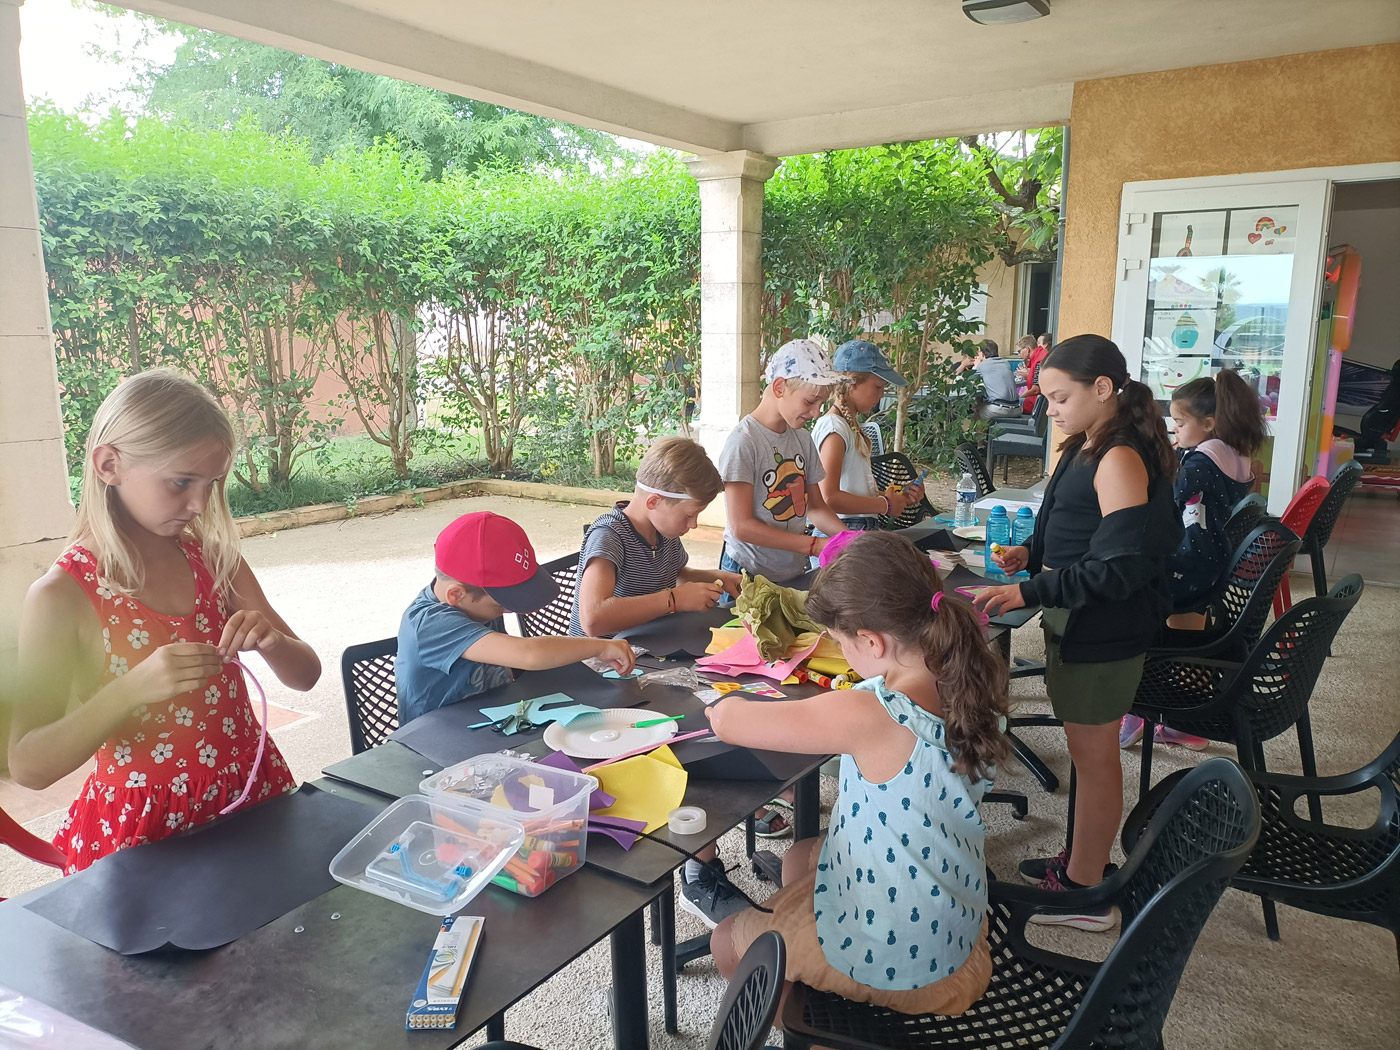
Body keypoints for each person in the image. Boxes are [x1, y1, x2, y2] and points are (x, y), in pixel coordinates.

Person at [11, 369, 321, 874]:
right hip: (145, 832)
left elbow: (305, 676)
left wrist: (273, 641)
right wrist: (129, 690)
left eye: (211, 484)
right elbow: (28, 765)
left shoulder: (216, 561)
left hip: (248, 796)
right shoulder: (61, 596)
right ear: (109, 465)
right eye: (181, 482)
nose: (199, 505)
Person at [707, 531, 1009, 1016]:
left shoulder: (873, 713)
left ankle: (810, 1030)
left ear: (871, 640)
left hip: (913, 961)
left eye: (841, 642)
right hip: (954, 917)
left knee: (727, 941)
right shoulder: (969, 671)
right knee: (803, 854)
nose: (841, 652)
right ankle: (818, 987)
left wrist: (717, 706)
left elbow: (729, 720)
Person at [974, 335, 1181, 931]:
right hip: (1083, 617)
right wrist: (1030, 553)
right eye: (1046, 398)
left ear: (1103, 388)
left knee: (1093, 760)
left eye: (1060, 396)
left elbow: (1119, 566)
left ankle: (1090, 893)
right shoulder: (1085, 445)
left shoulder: (1120, 456)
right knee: (1088, 755)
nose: (1051, 409)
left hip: (1106, 627)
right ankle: (1082, 863)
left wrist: (1030, 591)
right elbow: (1072, 523)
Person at [1119, 367, 1264, 750]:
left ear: (1209, 423)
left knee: (1124, 585)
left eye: (1181, 423)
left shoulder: (1201, 462)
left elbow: (1171, 500)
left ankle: (1138, 707)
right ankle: (1188, 722)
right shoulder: (1236, 454)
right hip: (1211, 562)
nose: (1175, 430)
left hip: (1190, 563)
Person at [396, 511, 635, 725]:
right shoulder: (429, 623)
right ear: (456, 594)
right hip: (436, 743)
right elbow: (529, 654)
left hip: (494, 722)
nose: (511, 611)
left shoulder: (475, 606)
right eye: (502, 604)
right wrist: (600, 646)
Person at [571, 436, 740, 636]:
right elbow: (593, 619)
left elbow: (672, 576)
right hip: (599, 659)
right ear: (653, 502)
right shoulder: (608, 536)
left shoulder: (664, 533)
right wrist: (674, 600)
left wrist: (715, 577)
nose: (693, 524)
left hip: (646, 645)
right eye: (689, 515)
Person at [719, 338, 849, 584]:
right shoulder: (744, 441)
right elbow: (742, 526)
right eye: (810, 402)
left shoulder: (802, 439)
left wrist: (850, 538)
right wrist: (812, 545)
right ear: (779, 387)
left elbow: (816, 507)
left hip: (791, 568)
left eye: (821, 404)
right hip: (746, 571)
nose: (816, 413)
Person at [812, 340, 925, 533]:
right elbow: (828, 497)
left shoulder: (850, 426)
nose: (881, 394)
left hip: (861, 527)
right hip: (840, 531)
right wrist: (885, 505)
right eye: (878, 386)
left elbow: (853, 491)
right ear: (852, 383)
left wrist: (898, 498)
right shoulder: (834, 428)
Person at [957, 339, 1021, 420]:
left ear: (983, 354)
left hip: (1000, 409)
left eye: (979, 352)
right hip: (1017, 408)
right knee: (981, 404)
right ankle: (987, 431)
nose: (977, 354)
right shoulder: (1005, 363)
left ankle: (979, 432)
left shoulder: (983, 365)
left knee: (977, 410)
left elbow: (966, 380)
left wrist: (976, 366)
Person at [1019, 333, 1053, 414]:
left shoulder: (1039, 360)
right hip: (1038, 403)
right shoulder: (1039, 357)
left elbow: (1035, 389)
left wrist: (1018, 397)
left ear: (1027, 349)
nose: (1019, 354)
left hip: (1036, 405)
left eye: (1019, 351)